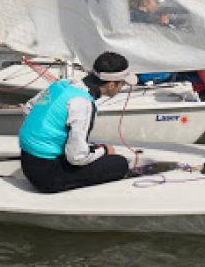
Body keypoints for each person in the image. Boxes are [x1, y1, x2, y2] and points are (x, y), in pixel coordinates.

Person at [18, 51, 135, 193]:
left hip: (27, 160)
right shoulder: (83, 103)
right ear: (111, 85)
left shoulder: (62, 84)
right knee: (119, 164)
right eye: (122, 84)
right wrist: (104, 150)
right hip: (47, 177)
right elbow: (76, 157)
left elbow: (28, 108)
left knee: (86, 148)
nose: (122, 87)